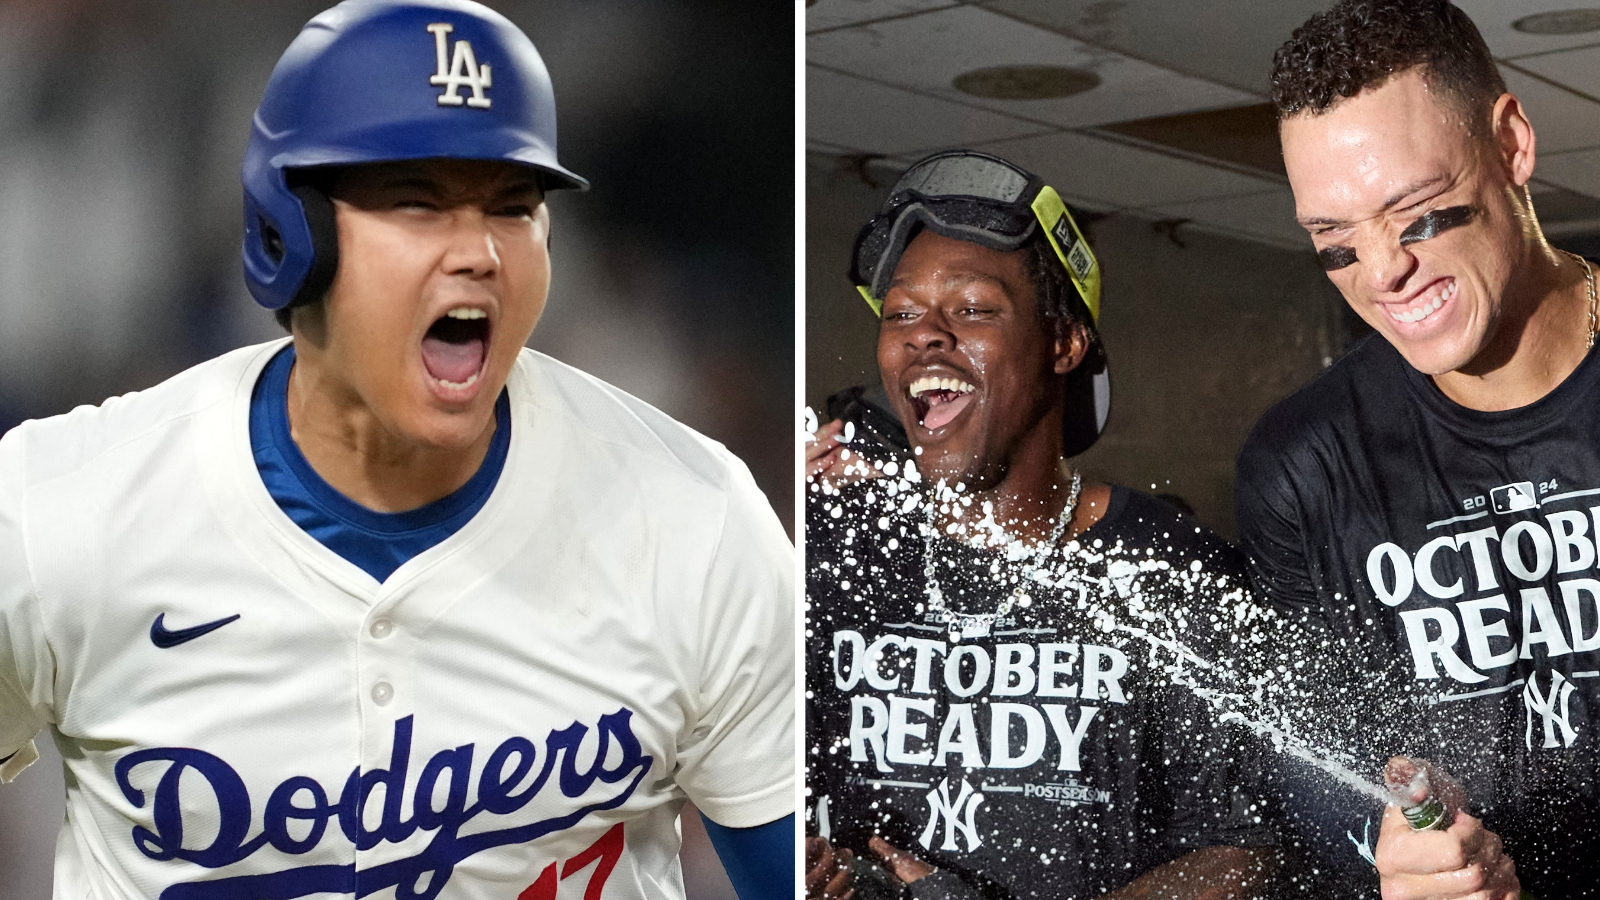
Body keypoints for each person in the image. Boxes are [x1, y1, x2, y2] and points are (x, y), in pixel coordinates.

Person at [0, 2, 794, 898]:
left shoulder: (693, 520)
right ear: (285, 233)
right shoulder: (61, 507)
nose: (479, 253)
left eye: (511, 206)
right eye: (418, 202)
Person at [805, 150, 1278, 900]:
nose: (924, 333)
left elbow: (1244, 852)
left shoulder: (1171, 573)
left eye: (973, 309)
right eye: (900, 312)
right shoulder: (827, 550)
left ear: (1064, 343)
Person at [1237, 1, 1598, 897]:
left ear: (1511, 142)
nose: (1382, 270)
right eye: (1334, 241)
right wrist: (1387, 847)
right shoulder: (1303, 461)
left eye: (1416, 212)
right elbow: (1312, 753)